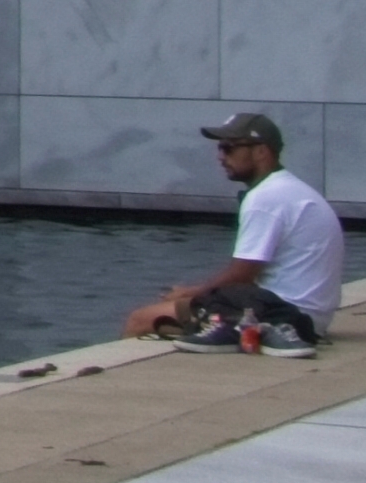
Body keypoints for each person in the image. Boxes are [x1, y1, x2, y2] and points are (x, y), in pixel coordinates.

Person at [123, 111, 345, 351]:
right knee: (183, 311)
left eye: (229, 148)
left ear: (261, 151)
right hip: (307, 316)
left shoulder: (265, 198)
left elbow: (241, 276)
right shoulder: (289, 188)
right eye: (220, 148)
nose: (220, 157)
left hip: (282, 316)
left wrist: (190, 293)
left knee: (139, 320)